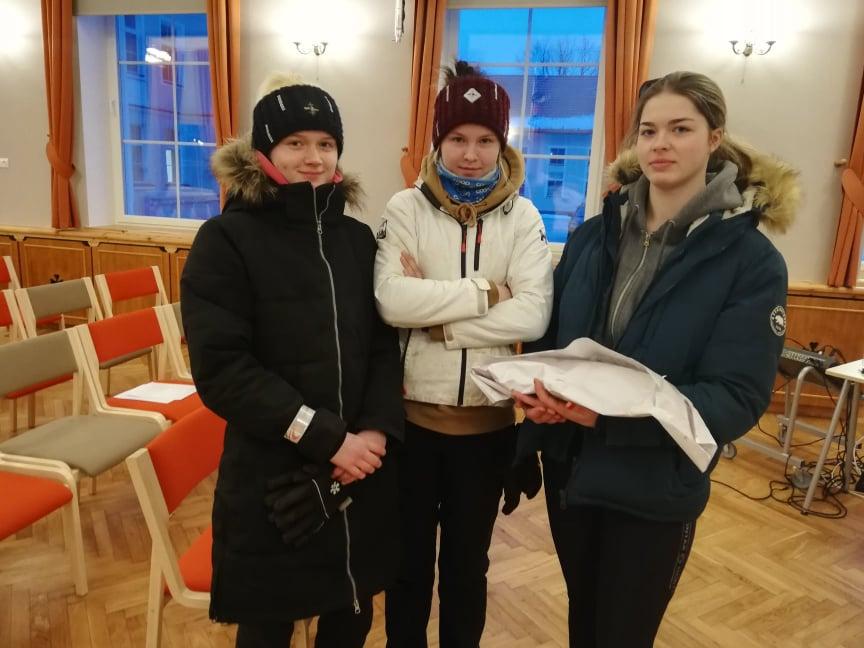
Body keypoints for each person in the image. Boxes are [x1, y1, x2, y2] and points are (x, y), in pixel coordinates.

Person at [513, 71, 798, 647]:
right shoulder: (594, 235)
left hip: (655, 485)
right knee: (583, 622)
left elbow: (736, 397)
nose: (660, 143)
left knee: (623, 634)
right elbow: (554, 343)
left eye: (680, 129)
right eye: (648, 130)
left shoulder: (751, 261)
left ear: (715, 138)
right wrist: (540, 396)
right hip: (574, 472)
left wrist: (611, 417)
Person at [181, 73, 404, 648]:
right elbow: (223, 371)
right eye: (295, 143)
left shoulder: (357, 240)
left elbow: (384, 347)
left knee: (351, 614)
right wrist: (330, 440)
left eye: (326, 144)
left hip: (357, 471)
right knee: (267, 626)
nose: (313, 158)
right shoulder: (225, 240)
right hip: (273, 477)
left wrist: (374, 433)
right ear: (264, 151)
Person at [374, 61, 554, 647]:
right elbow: (391, 301)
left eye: (484, 140)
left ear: (502, 145)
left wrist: (438, 321)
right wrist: (488, 292)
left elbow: (534, 314)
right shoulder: (405, 208)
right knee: (406, 567)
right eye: (457, 138)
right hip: (411, 427)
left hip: (487, 426)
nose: (470, 154)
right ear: (438, 141)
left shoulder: (523, 216)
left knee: (466, 568)